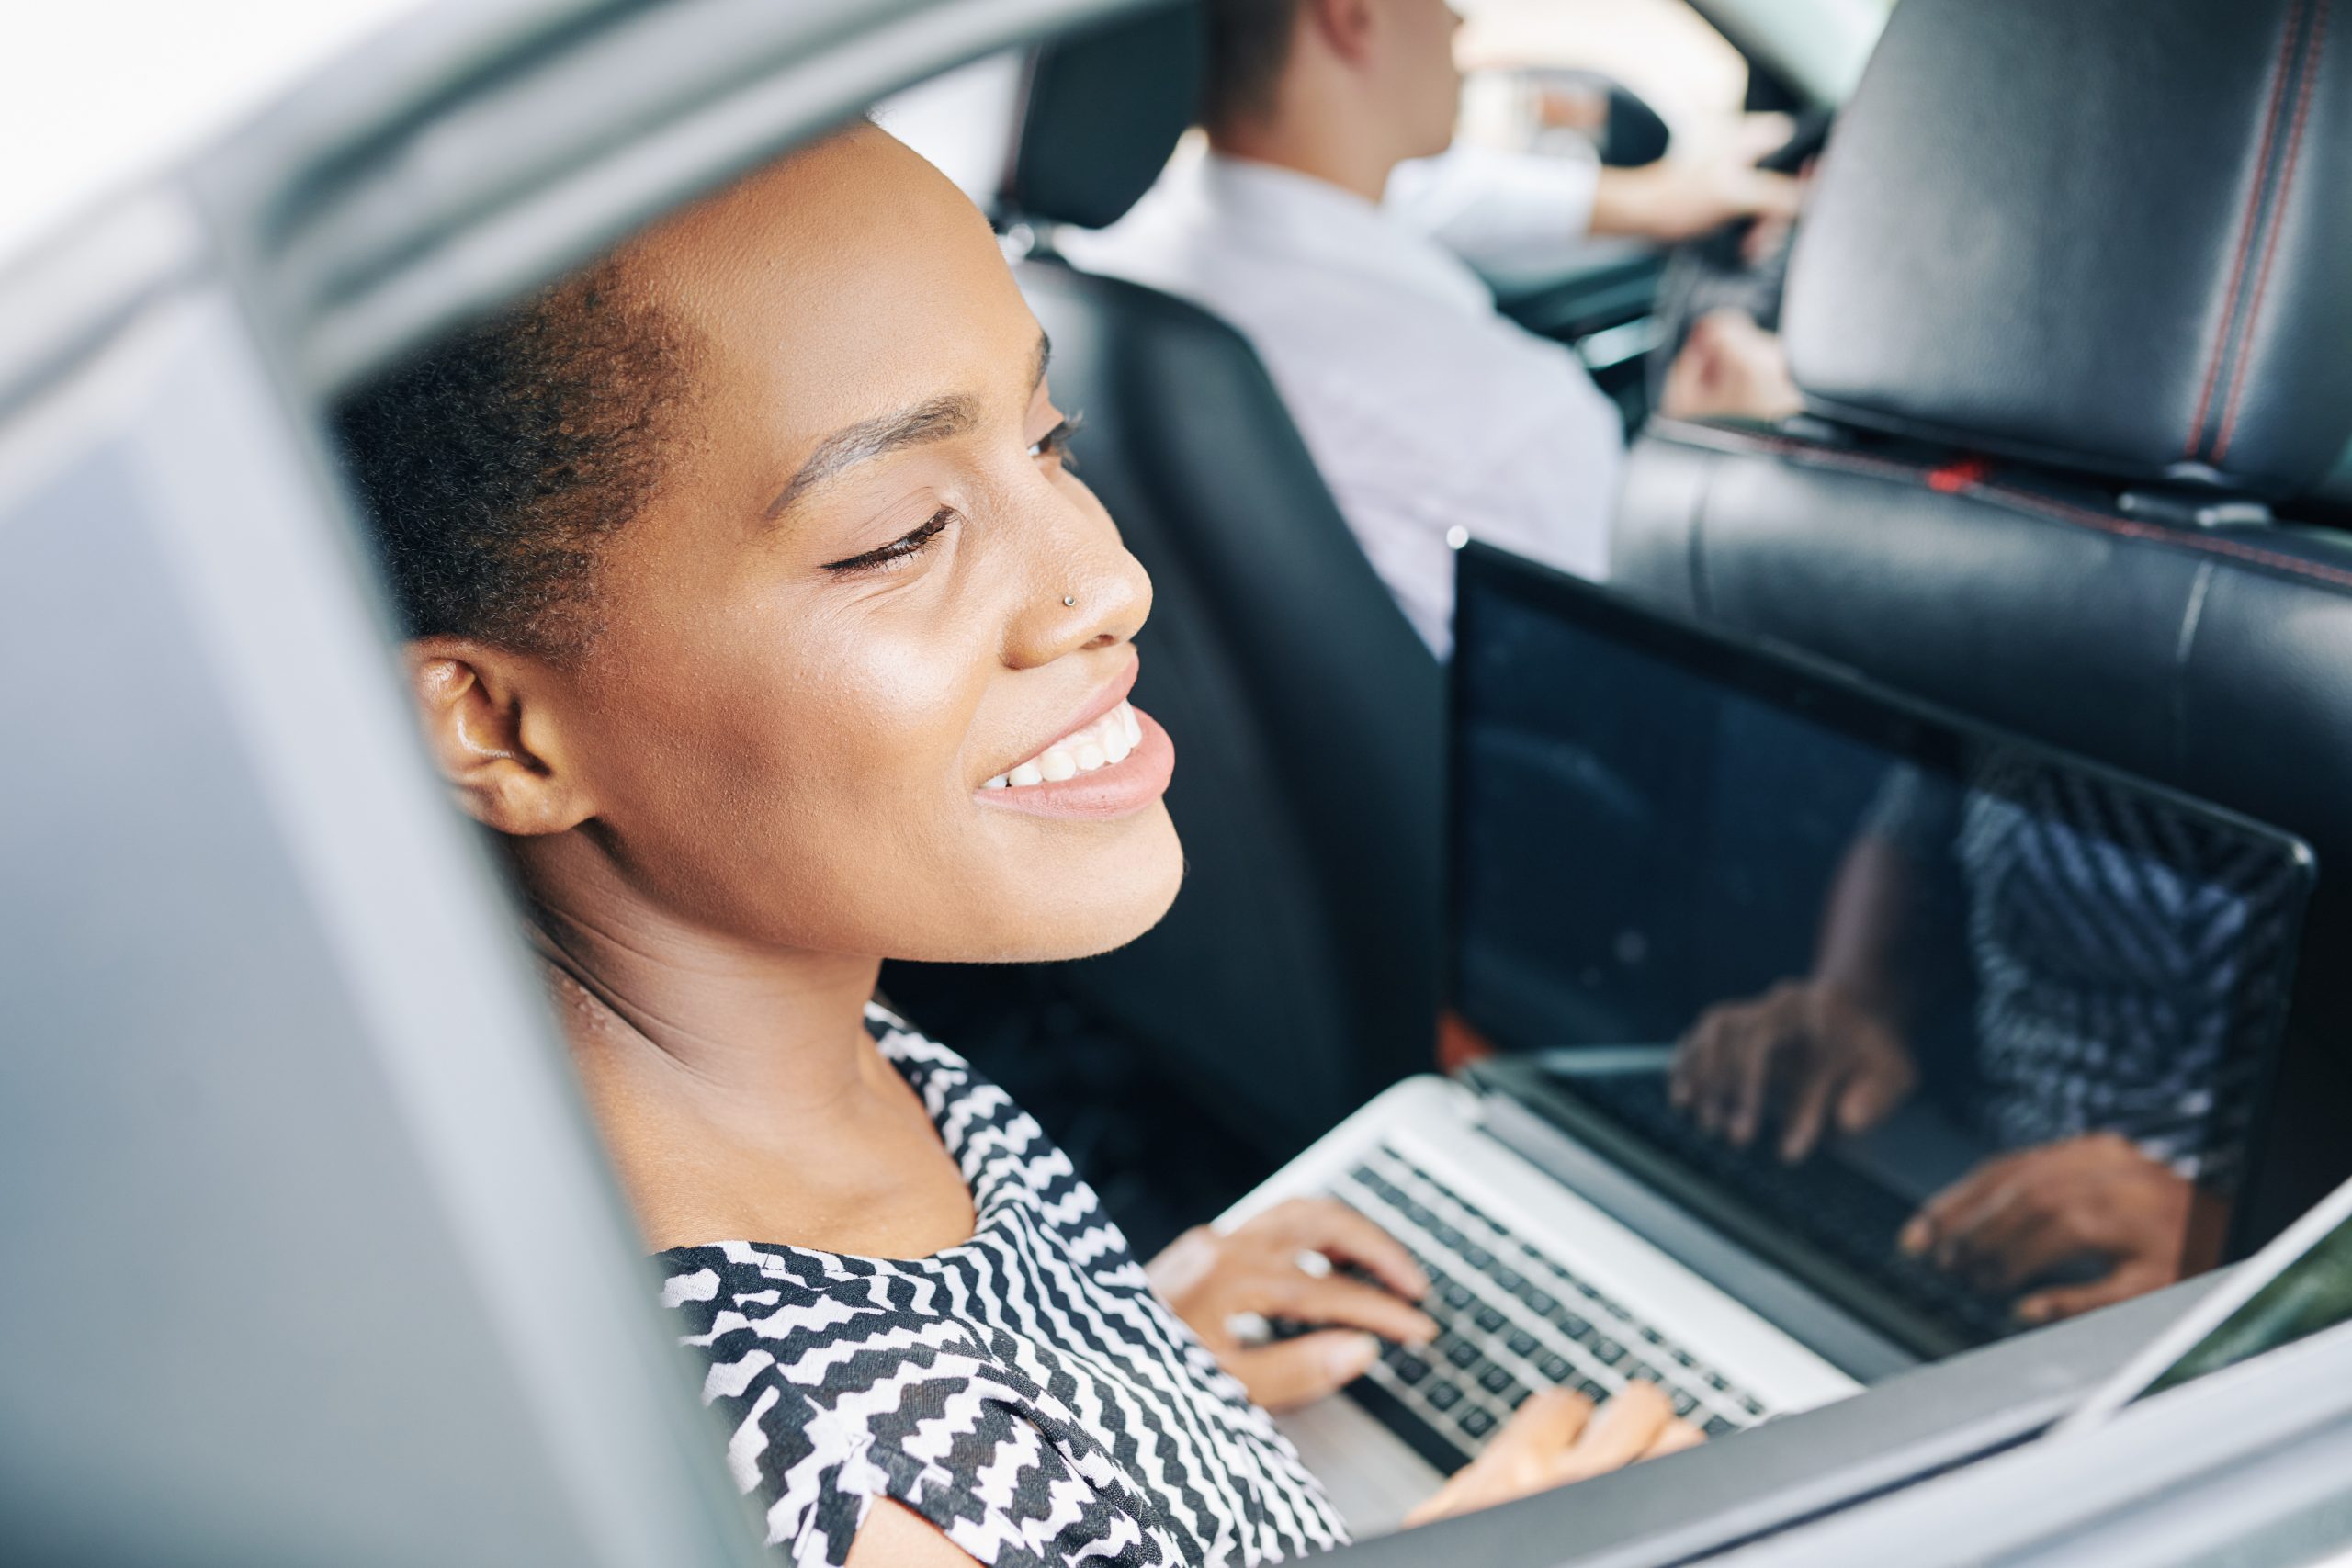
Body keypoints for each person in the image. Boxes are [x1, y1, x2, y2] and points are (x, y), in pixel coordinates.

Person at [333, 123, 1699, 1568]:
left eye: (1048, 440)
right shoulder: (860, 1484)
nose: (1104, 577)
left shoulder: (774, 1046)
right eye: (901, 533)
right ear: (495, 730)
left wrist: (1130, 1370)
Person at [1063, 0, 1802, 655]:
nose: (1460, 21)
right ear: (1353, 16)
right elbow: (1649, 663)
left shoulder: (1116, 259)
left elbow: (1432, 197)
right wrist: (1715, 451)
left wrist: (1658, 202)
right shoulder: (1522, 426)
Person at [1670, 756, 2296, 1325]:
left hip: (2207, 1281)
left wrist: (2244, 1244)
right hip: (1961, 1185)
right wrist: (1856, 992)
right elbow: (1912, 826)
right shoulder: (2033, 648)